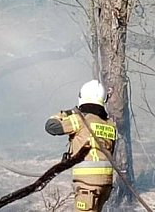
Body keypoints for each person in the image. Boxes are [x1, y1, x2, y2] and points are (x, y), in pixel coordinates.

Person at [45, 79, 116, 212]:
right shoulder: (109, 124)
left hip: (87, 184)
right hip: (106, 183)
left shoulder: (80, 119)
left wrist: (68, 113)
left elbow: (51, 126)